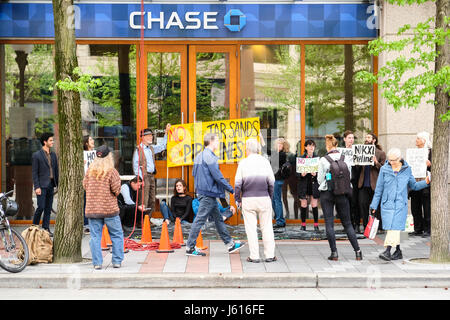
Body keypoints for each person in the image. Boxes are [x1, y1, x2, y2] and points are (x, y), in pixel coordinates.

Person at [186, 133, 245, 257]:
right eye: (217, 140)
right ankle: (190, 248)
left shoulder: (199, 156)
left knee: (218, 219)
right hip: (208, 194)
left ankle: (230, 244)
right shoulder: (210, 157)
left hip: (204, 192)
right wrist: (232, 190)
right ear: (211, 141)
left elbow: (193, 173)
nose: (219, 143)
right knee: (199, 220)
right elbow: (218, 176)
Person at [370, 148, 431, 261]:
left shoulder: (407, 169)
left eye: (393, 160)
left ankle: (387, 251)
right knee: (392, 228)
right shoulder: (384, 169)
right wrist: (374, 206)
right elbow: (379, 189)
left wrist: (426, 182)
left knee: (395, 227)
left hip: (400, 204)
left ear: (400, 158)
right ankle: (398, 251)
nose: (391, 162)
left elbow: (414, 186)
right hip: (387, 203)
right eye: (390, 160)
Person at [317, 134, 362, 261]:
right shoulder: (345, 158)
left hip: (327, 193)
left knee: (329, 223)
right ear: (337, 145)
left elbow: (320, 179)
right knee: (347, 223)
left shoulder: (323, 160)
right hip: (342, 192)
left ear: (327, 146)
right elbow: (349, 175)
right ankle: (358, 251)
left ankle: (334, 253)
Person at [235, 139, 276, 263]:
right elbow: (272, 182)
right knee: (267, 227)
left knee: (251, 228)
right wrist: (269, 196)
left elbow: (237, 185)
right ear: (258, 149)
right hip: (264, 198)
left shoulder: (243, 163)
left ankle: (254, 256)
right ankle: (269, 255)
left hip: (248, 198)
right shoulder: (265, 162)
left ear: (247, 149)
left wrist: (238, 199)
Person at [83, 145, 124, 270]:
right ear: (108, 157)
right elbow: (116, 190)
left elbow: (85, 186)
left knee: (95, 237)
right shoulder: (112, 171)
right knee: (116, 235)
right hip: (109, 209)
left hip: (93, 209)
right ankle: (116, 261)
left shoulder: (89, 171)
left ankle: (97, 263)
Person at [132, 124, 171, 215]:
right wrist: (140, 180)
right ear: (143, 137)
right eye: (149, 136)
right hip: (144, 177)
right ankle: (141, 221)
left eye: (151, 136)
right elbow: (135, 166)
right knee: (143, 200)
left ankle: (148, 219)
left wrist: (166, 133)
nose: (151, 137)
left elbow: (163, 146)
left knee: (152, 199)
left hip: (151, 176)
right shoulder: (138, 150)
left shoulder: (151, 148)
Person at [31, 132, 59, 237]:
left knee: (48, 208)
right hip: (41, 186)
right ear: (45, 142)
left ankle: (46, 228)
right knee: (41, 207)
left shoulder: (53, 155)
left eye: (53, 140)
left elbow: (56, 171)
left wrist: (58, 184)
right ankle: (34, 227)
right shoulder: (37, 155)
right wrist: (36, 187)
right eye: (51, 140)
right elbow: (34, 173)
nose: (52, 142)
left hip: (51, 185)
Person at [357, 133, 386, 231]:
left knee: (376, 207)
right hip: (363, 184)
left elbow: (384, 169)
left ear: (374, 140)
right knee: (363, 205)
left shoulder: (380, 153)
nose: (366, 139)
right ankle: (366, 226)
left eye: (368, 137)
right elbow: (357, 169)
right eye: (366, 137)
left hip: (375, 184)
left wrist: (376, 163)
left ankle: (377, 227)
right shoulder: (361, 151)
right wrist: (356, 162)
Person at [409, 131, 432, 237]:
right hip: (414, 183)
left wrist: (430, 165)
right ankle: (418, 228)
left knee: (426, 207)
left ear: (424, 140)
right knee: (415, 206)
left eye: (418, 138)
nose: (416, 140)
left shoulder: (430, 152)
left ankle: (428, 229)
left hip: (426, 184)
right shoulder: (413, 153)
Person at [297, 139, 320, 231]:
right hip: (304, 184)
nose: (311, 147)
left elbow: (322, 172)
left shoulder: (317, 158)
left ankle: (316, 225)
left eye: (313, 146)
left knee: (314, 204)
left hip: (313, 184)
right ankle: (303, 225)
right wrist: (301, 174)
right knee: (304, 204)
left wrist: (316, 174)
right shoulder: (301, 158)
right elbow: (296, 173)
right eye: (309, 145)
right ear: (306, 147)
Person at [343, 130, 362, 233]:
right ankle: (348, 224)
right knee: (345, 204)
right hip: (344, 181)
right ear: (344, 139)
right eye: (349, 138)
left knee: (355, 203)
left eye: (352, 138)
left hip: (354, 180)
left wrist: (357, 163)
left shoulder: (357, 151)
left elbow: (360, 169)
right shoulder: (341, 152)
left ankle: (357, 224)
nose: (351, 140)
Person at [272, 137, 289, 229]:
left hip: (278, 180)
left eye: (281, 144)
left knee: (277, 200)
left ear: (283, 146)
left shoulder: (281, 155)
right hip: (274, 179)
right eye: (278, 144)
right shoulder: (276, 154)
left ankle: (280, 221)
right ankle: (278, 217)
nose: (279, 146)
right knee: (273, 200)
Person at [82, 135, 96, 234]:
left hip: (96, 181)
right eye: (90, 139)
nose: (93, 141)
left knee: (95, 203)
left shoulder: (96, 154)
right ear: (86, 143)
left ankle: (95, 224)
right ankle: (87, 225)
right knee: (87, 203)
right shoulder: (82, 155)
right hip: (87, 181)